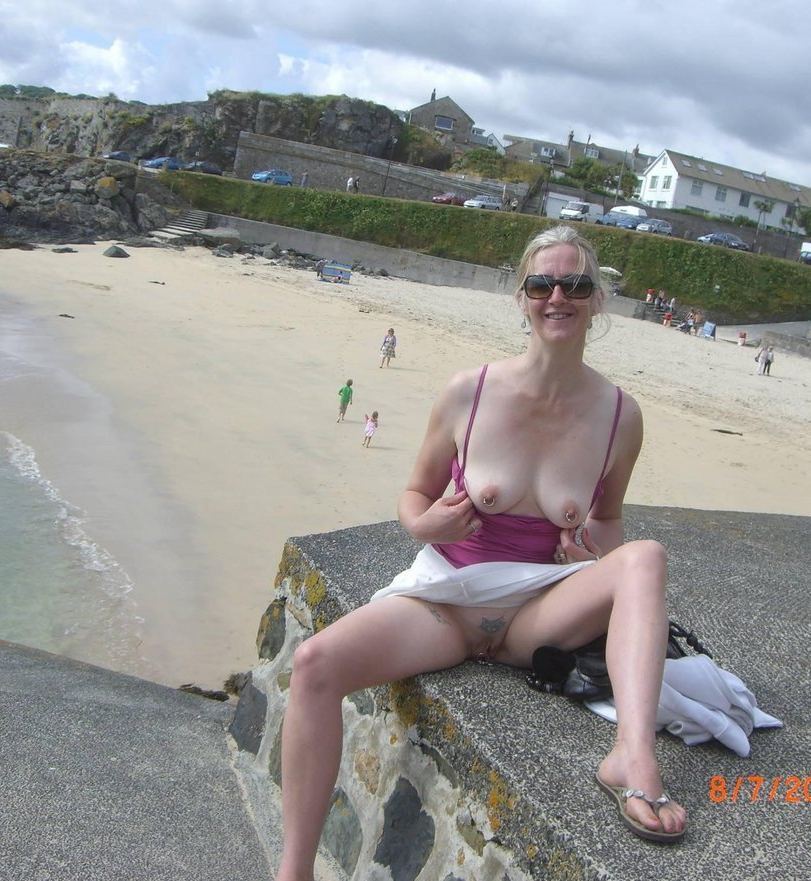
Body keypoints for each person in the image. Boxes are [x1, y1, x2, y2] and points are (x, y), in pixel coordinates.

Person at [275, 226, 684, 881]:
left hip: (538, 611)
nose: (558, 297)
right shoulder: (470, 392)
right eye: (542, 284)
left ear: (597, 300)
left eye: (575, 284)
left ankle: (631, 758)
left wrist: (590, 547)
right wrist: (428, 522)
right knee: (314, 663)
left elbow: (610, 521)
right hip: (446, 603)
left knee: (646, 557)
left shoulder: (619, 417)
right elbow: (414, 493)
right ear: (522, 297)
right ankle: (293, 871)